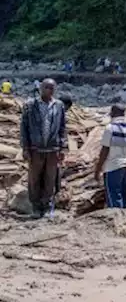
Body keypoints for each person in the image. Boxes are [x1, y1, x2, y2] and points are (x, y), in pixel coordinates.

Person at [20, 79, 67, 219]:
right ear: (40, 88)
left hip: (53, 149)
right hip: (35, 148)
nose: (49, 90)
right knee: (34, 178)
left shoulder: (58, 106)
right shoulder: (30, 105)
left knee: (50, 178)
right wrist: (25, 148)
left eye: (52, 88)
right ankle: (35, 207)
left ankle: (46, 206)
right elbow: (24, 128)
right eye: (46, 87)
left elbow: (63, 128)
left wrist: (63, 147)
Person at [94, 104, 126, 209]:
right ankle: (124, 221)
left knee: (113, 199)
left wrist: (98, 170)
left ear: (113, 113)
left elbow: (105, 151)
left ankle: (117, 223)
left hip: (113, 167)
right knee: (123, 197)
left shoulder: (110, 128)